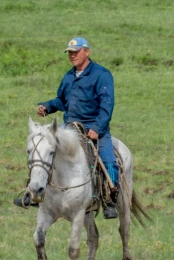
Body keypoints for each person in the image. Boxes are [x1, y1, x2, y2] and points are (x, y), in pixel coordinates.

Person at [19, 37, 120, 219]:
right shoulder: (69, 76)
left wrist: (97, 127)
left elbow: (107, 105)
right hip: (71, 128)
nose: (72, 56)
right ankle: (34, 192)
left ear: (86, 52)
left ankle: (110, 198)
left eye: (76, 52)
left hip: (95, 128)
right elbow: (62, 100)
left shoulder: (101, 75)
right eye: (70, 53)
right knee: (44, 152)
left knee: (108, 159)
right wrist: (47, 107)